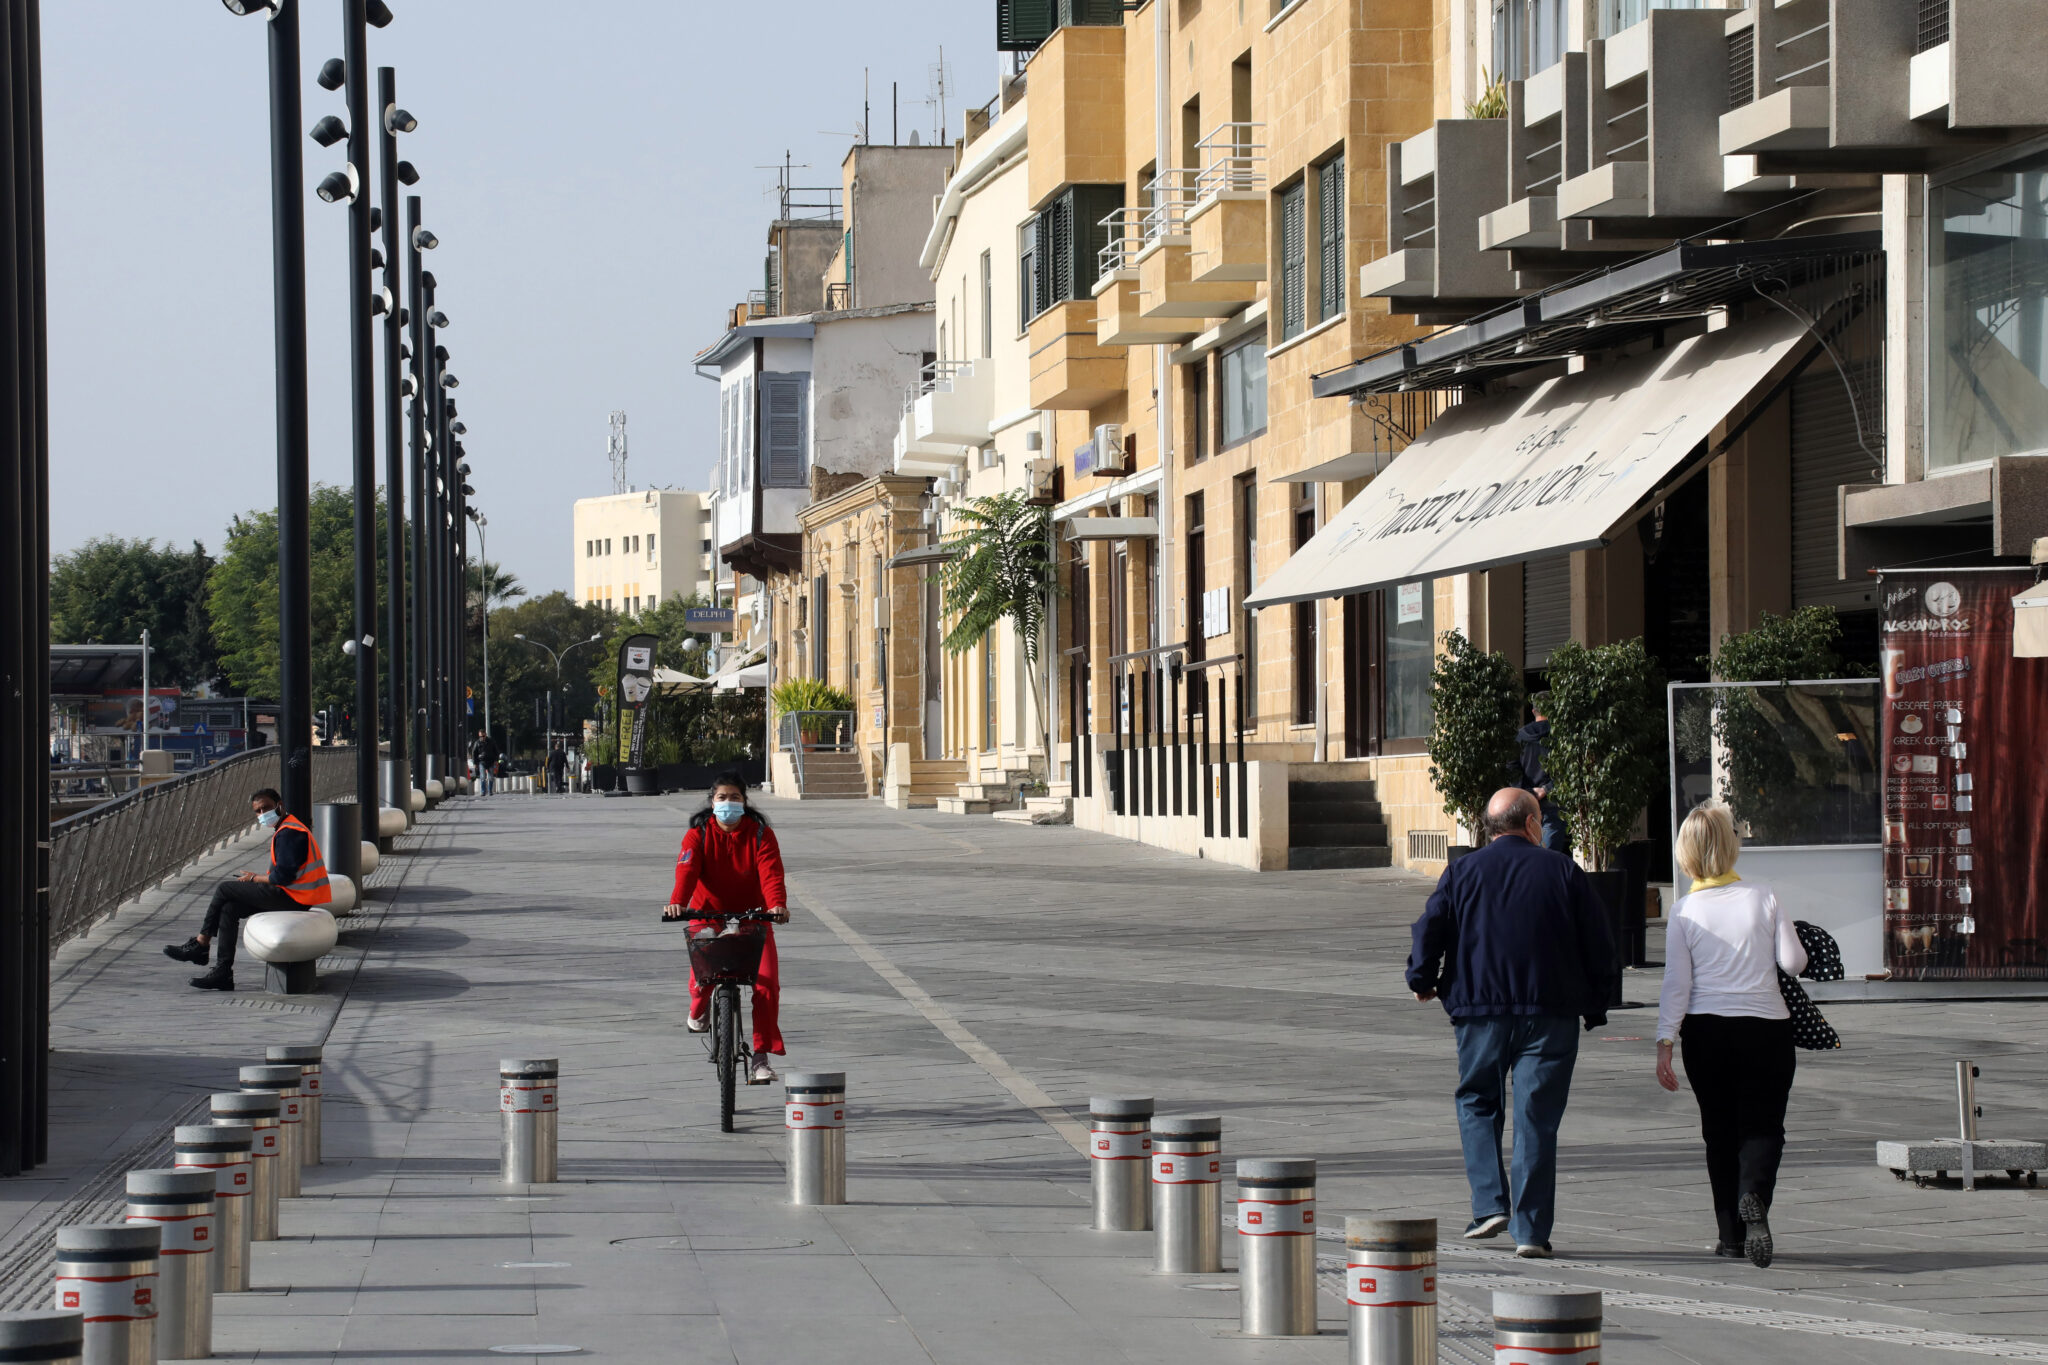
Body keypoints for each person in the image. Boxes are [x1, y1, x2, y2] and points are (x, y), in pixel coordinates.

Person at [1406, 787, 1615, 1259]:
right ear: (1533, 824)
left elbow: (1430, 926)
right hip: (1551, 1011)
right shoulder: (1563, 870)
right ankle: (1531, 1232)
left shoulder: (1462, 871)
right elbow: (1600, 943)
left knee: (1478, 1101)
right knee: (1537, 1117)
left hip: (1480, 1010)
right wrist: (1596, 1004)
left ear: (1489, 828)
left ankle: (1488, 1205)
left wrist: (1423, 978)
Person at [1655, 801, 1806, 1269]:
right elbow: (1793, 963)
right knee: (1763, 1125)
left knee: (1718, 1133)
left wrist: (1665, 1043)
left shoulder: (1683, 911)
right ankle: (1755, 1195)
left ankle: (1731, 1237)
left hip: (1707, 1032)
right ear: (1731, 845)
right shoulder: (1765, 896)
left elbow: (1676, 985)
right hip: (1767, 1028)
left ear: (1687, 853)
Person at [662, 773, 789, 1083]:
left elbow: (771, 873)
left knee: (766, 984)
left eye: (735, 797)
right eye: (722, 798)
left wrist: (777, 906)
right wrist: (677, 902)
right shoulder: (699, 834)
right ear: (712, 801)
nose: (728, 803)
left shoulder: (760, 834)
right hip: (707, 911)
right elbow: (687, 870)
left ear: (744, 801)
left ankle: (760, 1057)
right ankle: (698, 1009)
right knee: (704, 975)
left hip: (754, 915)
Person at [163, 788, 331, 992]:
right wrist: (256, 879)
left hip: (293, 897)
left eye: (266, 808)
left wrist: (254, 878)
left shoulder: (290, 833)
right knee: (230, 908)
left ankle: (201, 944)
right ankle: (223, 973)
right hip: (294, 895)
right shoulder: (287, 828)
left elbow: (283, 877)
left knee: (225, 889)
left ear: (280, 806)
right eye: (257, 811)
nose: (262, 814)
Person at [1516, 694, 1570, 852]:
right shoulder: (1561, 735)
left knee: (1528, 846)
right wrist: (1547, 789)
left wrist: (1527, 791)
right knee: (1548, 851)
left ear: (1533, 711)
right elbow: (1568, 768)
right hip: (1554, 799)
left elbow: (1511, 767)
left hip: (1527, 801)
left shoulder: (1520, 736)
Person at [470, 729, 500, 796]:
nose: (482, 738)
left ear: (485, 735)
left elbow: (496, 751)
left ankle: (490, 791)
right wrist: (475, 763)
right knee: (482, 777)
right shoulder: (477, 743)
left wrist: (496, 761)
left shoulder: (491, 741)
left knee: (490, 777)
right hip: (482, 762)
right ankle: (483, 791)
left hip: (491, 761)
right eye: (480, 736)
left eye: (483, 736)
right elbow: (474, 753)